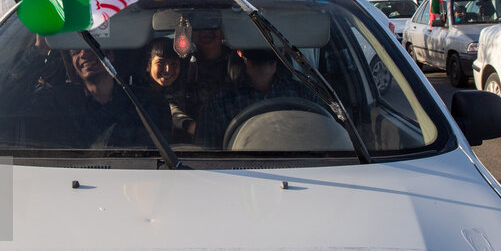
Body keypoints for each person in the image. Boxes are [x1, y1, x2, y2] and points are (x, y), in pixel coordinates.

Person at [30, 47, 169, 149]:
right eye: (75, 51)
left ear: (111, 55)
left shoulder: (147, 103)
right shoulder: (59, 104)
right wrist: (38, 50)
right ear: (72, 62)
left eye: (91, 47)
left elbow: (157, 156)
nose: (83, 54)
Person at [197, 48, 316, 149]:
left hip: (301, 168)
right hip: (240, 173)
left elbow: (324, 139)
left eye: (271, 42)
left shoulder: (305, 95)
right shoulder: (219, 103)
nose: (264, 46)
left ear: (283, 51)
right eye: (256, 41)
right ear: (240, 52)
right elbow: (208, 160)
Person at [143, 38, 196, 141]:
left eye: (173, 64)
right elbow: (170, 110)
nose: (167, 70)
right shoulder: (137, 93)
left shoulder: (186, 91)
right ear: (148, 65)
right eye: (160, 63)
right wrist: (187, 125)